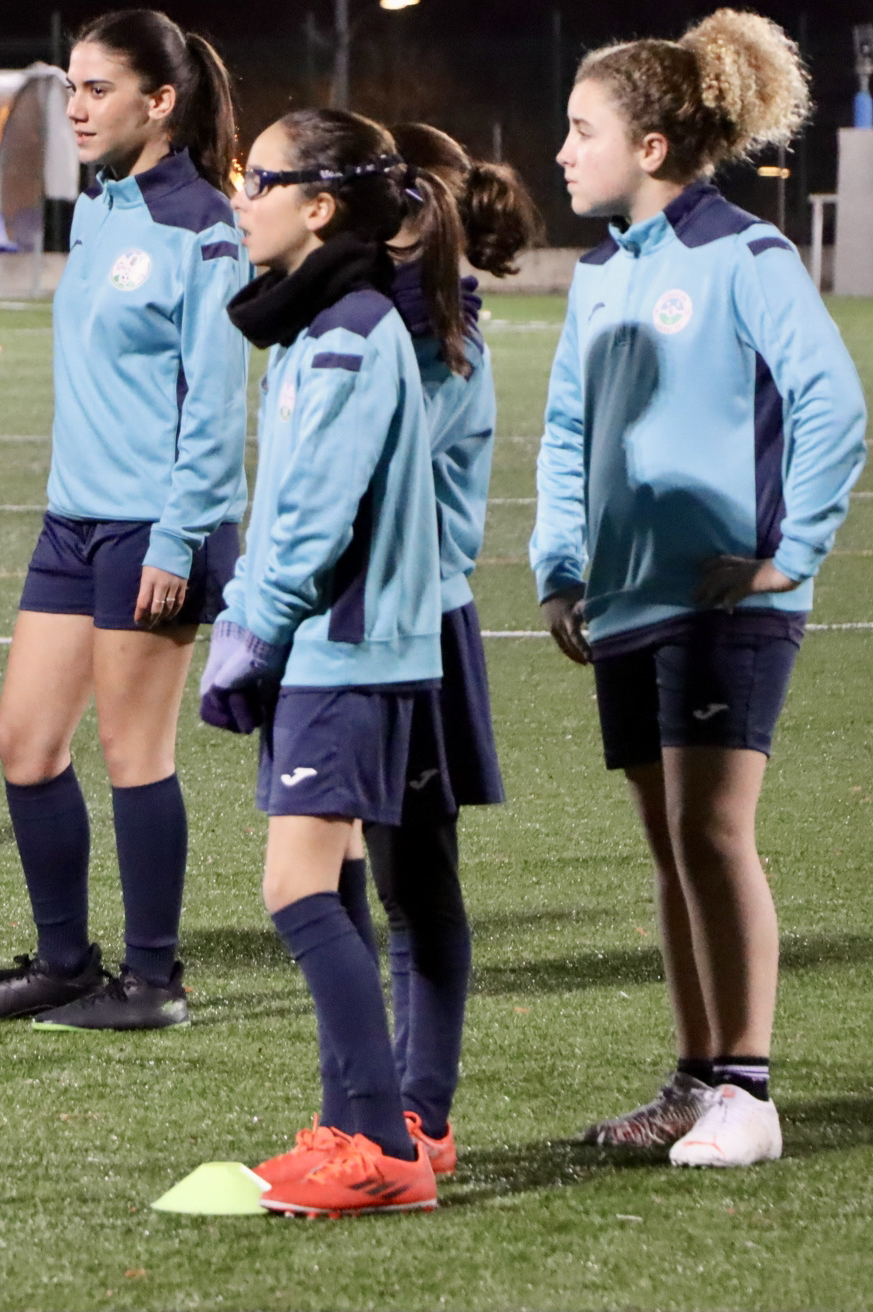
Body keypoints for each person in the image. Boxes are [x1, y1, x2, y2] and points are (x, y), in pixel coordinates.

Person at [531, 9, 866, 1168]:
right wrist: (560, 566)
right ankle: (695, 1076)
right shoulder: (599, 274)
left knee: (715, 833)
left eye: (583, 131)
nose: (562, 151)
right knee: (671, 844)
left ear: (655, 147)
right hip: (623, 602)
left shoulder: (749, 257)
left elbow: (833, 403)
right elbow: (571, 424)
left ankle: (751, 1092)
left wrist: (791, 551)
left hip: (727, 600)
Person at [0, 10, 249, 1032]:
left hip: (156, 524)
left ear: (162, 102)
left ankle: (154, 980)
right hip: (73, 522)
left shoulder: (203, 223)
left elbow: (214, 402)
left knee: (134, 753)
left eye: (98, 88)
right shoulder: (101, 207)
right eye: (71, 85)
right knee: (25, 741)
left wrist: (176, 536)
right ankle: (66, 961)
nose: (74, 106)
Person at [199, 108, 442, 1218]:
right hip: (334, 649)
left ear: (321, 206)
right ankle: (355, 1126)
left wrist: (247, 637)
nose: (240, 198)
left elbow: (306, 519)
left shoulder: (346, 331)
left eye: (259, 180)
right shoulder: (315, 326)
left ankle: (383, 1147)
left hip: (342, 651)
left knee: (295, 889)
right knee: (331, 883)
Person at [356, 121, 546, 1174]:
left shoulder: (435, 340)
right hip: (351, 630)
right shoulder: (375, 322)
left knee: (417, 886)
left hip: (414, 633)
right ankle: (369, 1100)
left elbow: (381, 490)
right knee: (347, 881)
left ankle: (417, 1112)